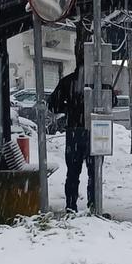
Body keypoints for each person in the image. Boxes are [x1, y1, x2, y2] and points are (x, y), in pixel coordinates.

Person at [49, 64, 94, 213]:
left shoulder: (67, 81)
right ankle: (93, 204)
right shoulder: (97, 82)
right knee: (94, 172)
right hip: (93, 132)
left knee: (73, 173)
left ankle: (71, 206)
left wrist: (69, 109)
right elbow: (112, 101)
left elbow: (53, 105)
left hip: (74, 131)